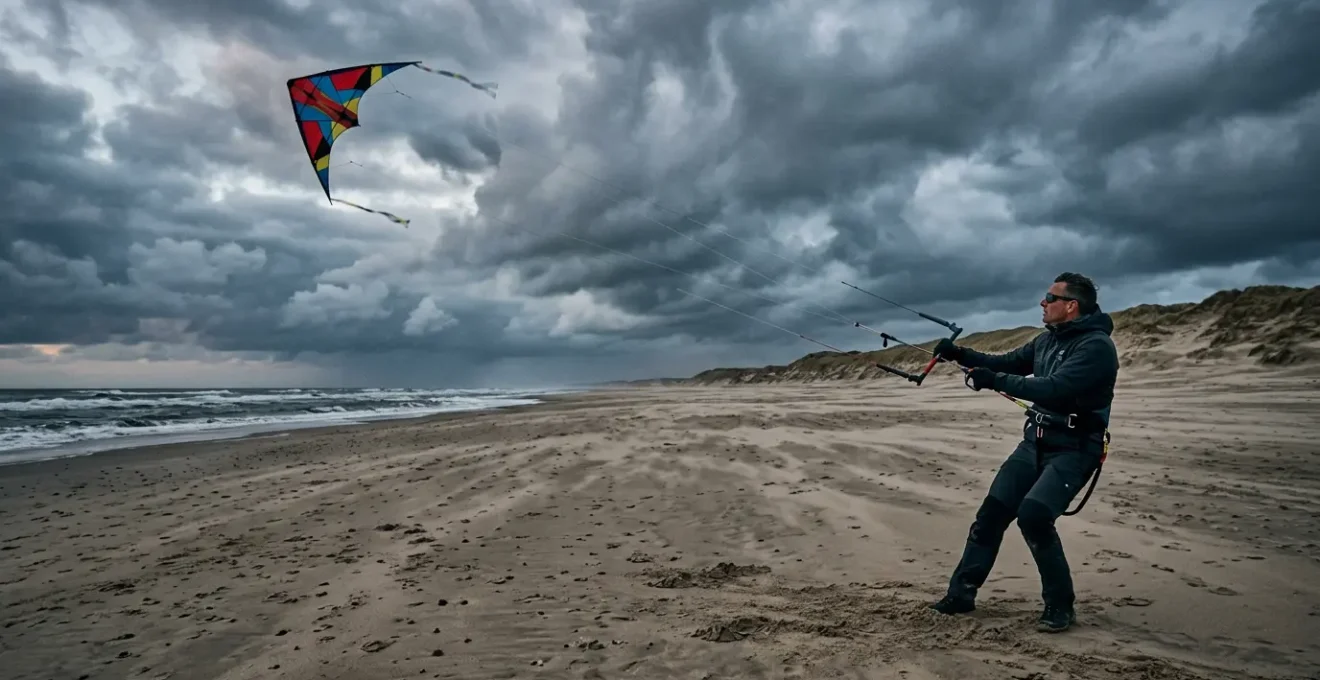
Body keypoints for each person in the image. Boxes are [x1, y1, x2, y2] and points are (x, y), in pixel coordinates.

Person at [928, 272, 1118, 633]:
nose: (1043, 303)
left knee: (1033, 516)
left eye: (1050, 298)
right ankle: (961, 594)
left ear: (1071, 306)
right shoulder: (1046, 341)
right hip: (1035, 442)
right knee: (991, 514)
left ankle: (1060, 606)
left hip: (1076, 448)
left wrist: (993, 381)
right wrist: (960, 355)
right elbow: (1009, 362)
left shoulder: (1095, 347)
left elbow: (1053, 388)